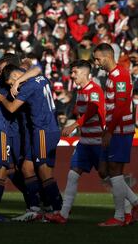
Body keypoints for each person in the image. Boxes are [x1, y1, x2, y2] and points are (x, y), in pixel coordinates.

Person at [0, 64, 63, 222]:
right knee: (26, 167)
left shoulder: (27, 87)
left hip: (44, 130)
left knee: (45, 171)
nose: (12, 87)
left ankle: (58, 209)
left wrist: (3, 98)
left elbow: (12, 108)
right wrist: (17, 82)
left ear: (16, 76)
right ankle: (34, 209)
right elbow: (38, 67)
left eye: (11, 83)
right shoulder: (39, 78)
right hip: (40, 130)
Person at [93, 43, 138, 227]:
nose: (96, 62)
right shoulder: (111, 76)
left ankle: (119, 216)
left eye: (97, 58)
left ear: (107, 56)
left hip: (121, 130)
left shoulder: (121, 75)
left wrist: (109, 130)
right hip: (113, 128)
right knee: (105, 171)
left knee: (115, 171)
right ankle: (136, 204)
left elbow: (122, 105)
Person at [44, 60, 105, 224]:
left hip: (98, 140)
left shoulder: (94, 90)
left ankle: (133, 204)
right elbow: (81, 111)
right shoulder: (81, 91)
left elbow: (93, 110)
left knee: (108, 176)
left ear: (84, 73)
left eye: (74, 72)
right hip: (85, 141)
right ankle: (63, 215)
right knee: (72, 174)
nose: (72, 76)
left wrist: (73, 125)